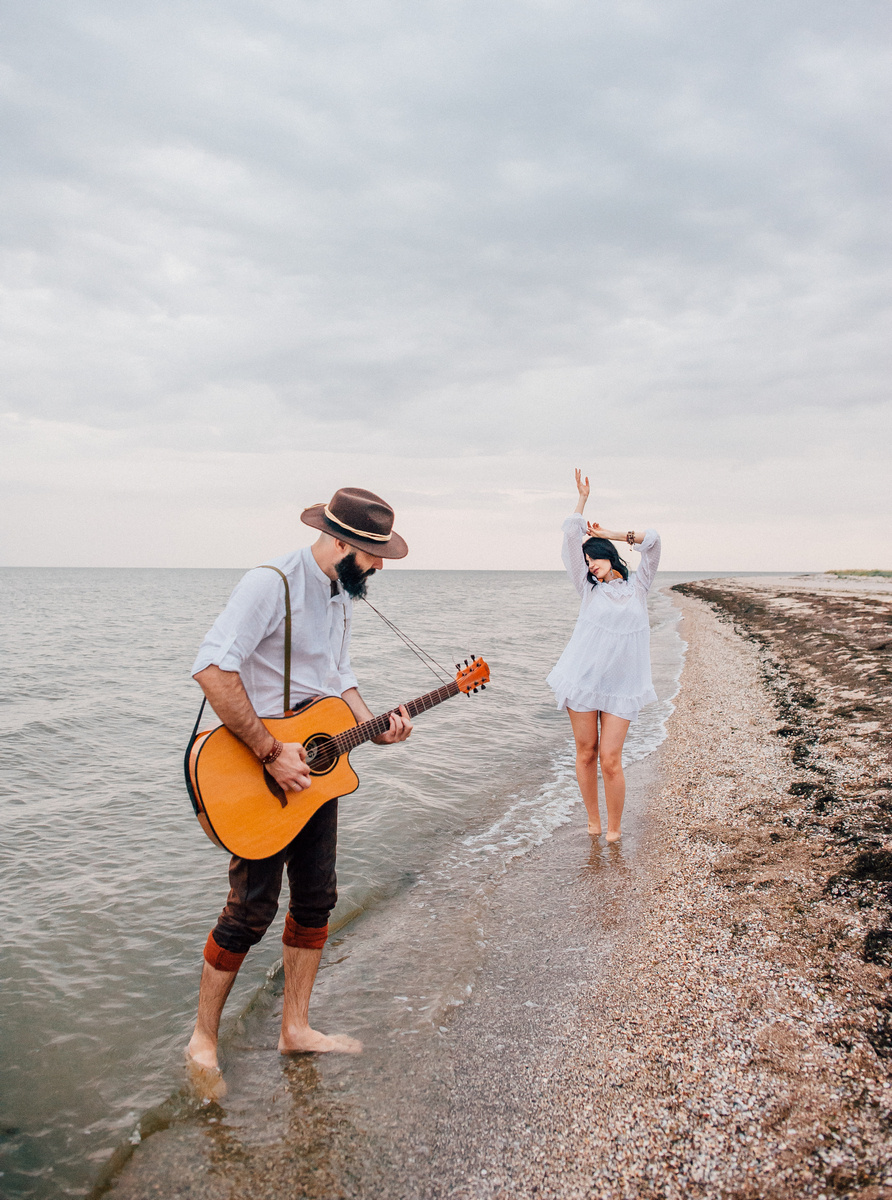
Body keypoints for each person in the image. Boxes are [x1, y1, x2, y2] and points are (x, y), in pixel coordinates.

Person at [185, 487, 413, 1097]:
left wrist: (376, 726)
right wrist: (269, 750)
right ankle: (202, 1040)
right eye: (372, 554)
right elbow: (212, 668)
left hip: (315, 766)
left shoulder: (341, 594)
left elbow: (337, 680)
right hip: (256, 770)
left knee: (317, 901)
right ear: (339, 542)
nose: (379, 566)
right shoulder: (271, 584)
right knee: (250, 909)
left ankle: (296, 1028)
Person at [546, 469, 661, 842]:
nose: (591, 564)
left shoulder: (638, 587)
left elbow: (655, 541)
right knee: (586, 752)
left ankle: (614, 830)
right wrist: (582, 500)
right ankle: (593, 823)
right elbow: (568, 535)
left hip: (622, 686)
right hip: (583, 680)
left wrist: (607, 533)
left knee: (611, 759)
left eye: (595, 558)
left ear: (609, 556)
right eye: (587, 560)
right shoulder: (587, 589)